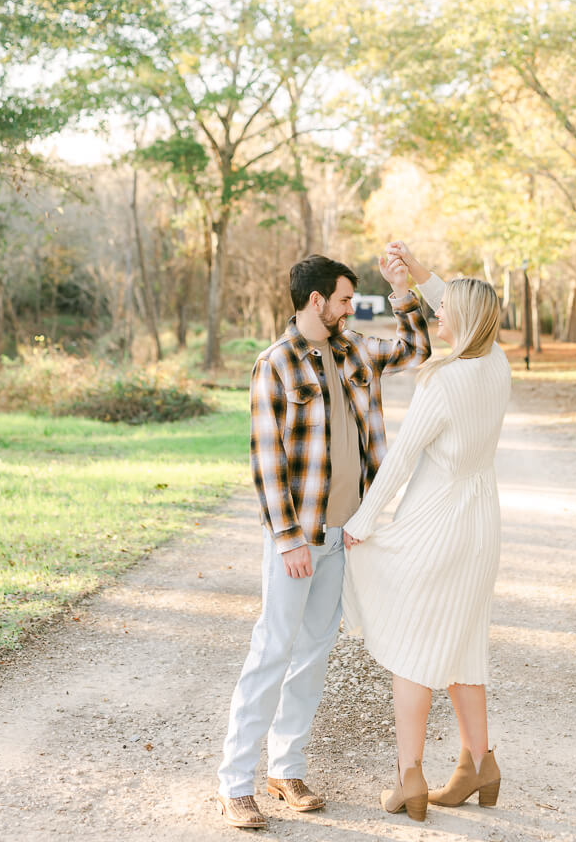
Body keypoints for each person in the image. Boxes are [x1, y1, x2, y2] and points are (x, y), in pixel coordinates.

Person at [216, 251, 431, 829]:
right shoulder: (276, 365)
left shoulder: (356, 348)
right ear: (316, 302)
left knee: (313, 655)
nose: (348, 308)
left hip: (345, 536)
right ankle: (235, 783)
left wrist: (403, 289)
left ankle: (285, 769)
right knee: (271, 652)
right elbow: (267, 461)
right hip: (299, 538)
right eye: (342, 299)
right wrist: (287, 540)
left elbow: (416, 349)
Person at [342, 241, 511, 823]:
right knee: (465, 648)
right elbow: (459, 305)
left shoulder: (445, 382)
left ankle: (410, 777)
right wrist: (415, 274)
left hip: (437, 526)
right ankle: (478, 764)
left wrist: (361, 524)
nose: (437, 315)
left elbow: (400, 461)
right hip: (482, 525)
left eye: (445, 312)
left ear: (463, 322)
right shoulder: (496, 363)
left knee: (414, 652)